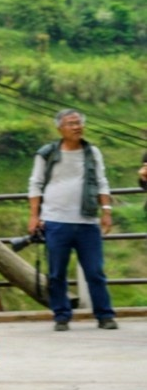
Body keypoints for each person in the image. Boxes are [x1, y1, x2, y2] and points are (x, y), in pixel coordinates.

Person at [28, 109, 118, 331]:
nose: (76, 127)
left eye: (79, 123)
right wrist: (34, 216)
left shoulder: (92, 152)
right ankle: (61, 316)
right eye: (71, 123)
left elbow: (101, 181)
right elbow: (35, 184)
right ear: (60, 128)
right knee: (57, 272)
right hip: (55, 220)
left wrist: (106, 211)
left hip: (87, 221)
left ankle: (105, 315)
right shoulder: (47, 153)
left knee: (95, 271)